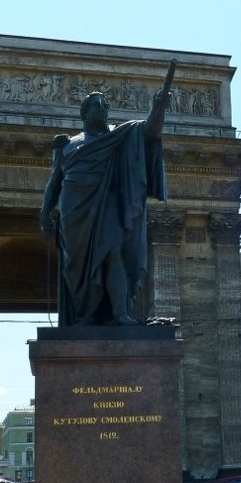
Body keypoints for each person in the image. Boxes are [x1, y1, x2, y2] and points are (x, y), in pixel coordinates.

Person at [40, 64, 174, 326]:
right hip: (73, 212)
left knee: (112, 253)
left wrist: (158, 107)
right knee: (76, 267)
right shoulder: (67, 144)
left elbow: (149, 131)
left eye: (104, 106)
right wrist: (45, 210)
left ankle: (120, 312)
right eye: (95, 106)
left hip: (107, 205)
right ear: (84, 113)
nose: (101, 109)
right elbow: (55, 181)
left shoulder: (120, 135)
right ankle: (85, 315)